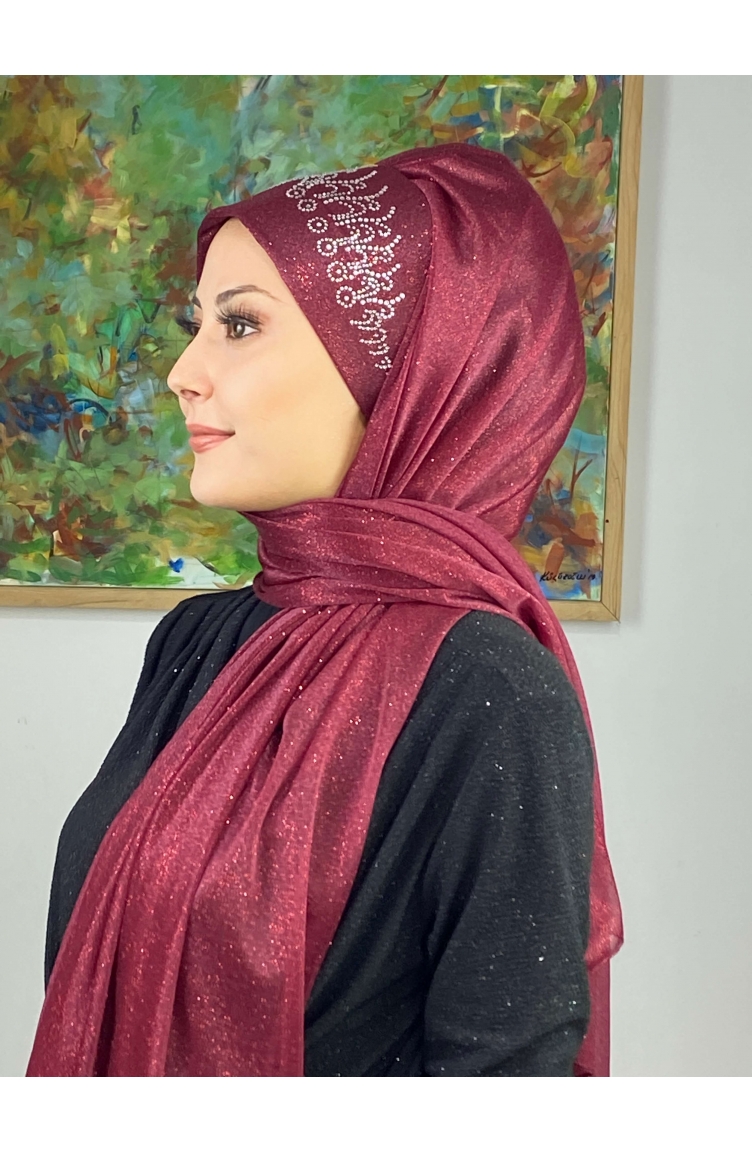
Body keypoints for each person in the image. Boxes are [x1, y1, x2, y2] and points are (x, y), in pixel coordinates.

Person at [27, 142, 623, 1077]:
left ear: (405, 374)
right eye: (196, 324)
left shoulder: (489, 686)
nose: (183, 372)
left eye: (239, 325)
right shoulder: (194, 642)